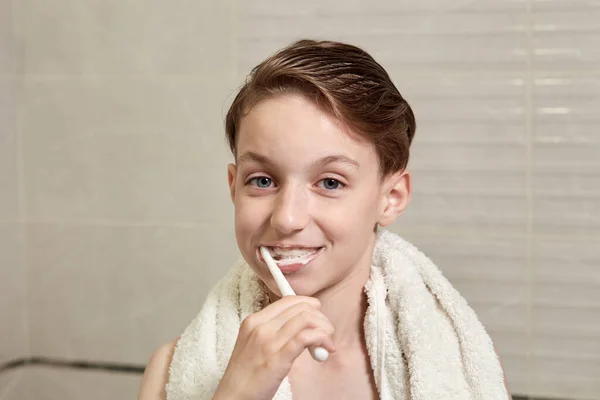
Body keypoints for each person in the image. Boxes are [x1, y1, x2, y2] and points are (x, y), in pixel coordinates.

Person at [138, 39, 512, 400]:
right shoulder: (167, 373)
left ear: (391, 198)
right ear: (234, 187)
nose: (287, 219)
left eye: (330, 182)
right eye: (263, 181)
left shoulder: (465, 362)